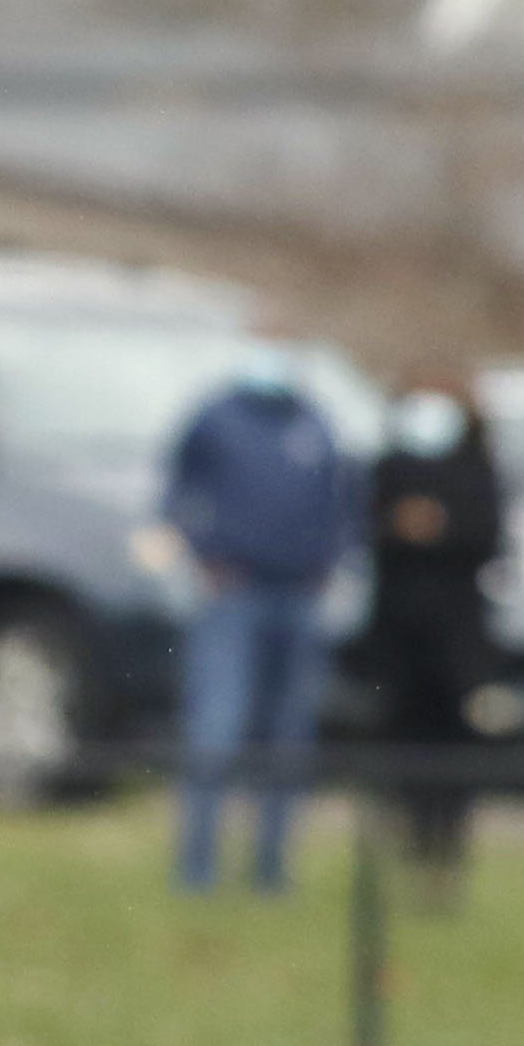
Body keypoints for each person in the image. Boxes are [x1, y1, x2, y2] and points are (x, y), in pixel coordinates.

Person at [163, 335, 354, 894]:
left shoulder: (316, 423)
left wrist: (332, 563)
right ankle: (196, 870)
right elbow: (174, 490)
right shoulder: (217, 417)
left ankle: (271, 872)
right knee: (216, 731)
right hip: (233, 594)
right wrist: (202, 553)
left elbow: (343, 505)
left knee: (288, 741)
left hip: (299, 596)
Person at [359, 379, 505, 905]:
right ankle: (410, 848)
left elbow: (491, 536)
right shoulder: (390, 466)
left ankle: (447, 854)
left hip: (456, 642)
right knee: (401, 746)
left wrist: (443, 526)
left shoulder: (477, 470)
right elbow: (364, 528)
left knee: (453, 754)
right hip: (399, 641)